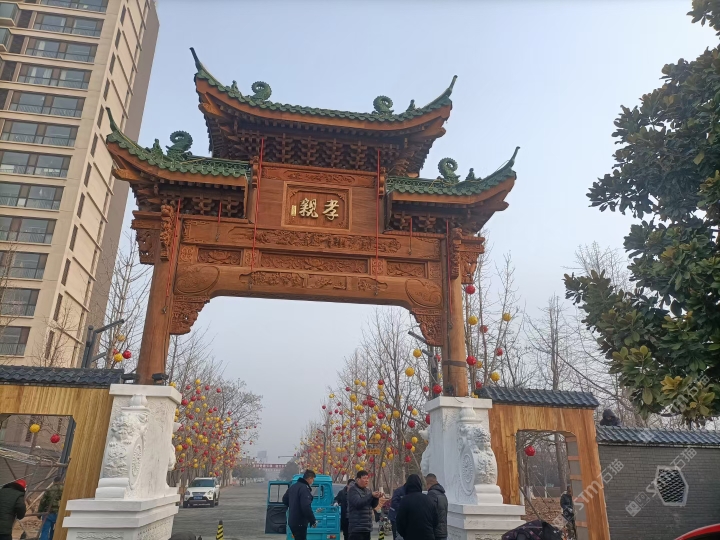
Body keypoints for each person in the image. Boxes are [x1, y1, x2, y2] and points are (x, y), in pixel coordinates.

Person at [396, 475, 436, 540]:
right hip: (428, 536)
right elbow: (435, 520)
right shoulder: (428, 499)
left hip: (411, 536)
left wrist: (405, 535)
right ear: (420, 485)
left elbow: (400, 522)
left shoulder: (405, 500)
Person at [281, 469, 317, 540]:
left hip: (292, 521)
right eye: (313, 479)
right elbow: (306, 506)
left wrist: (293, 506)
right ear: (309, 478)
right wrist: (312, 520)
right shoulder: (304, 488)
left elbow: (284, 499)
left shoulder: (293, 487)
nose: (313, 481)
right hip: (300, 521)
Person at [347, 470, 382, 540]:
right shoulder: (353, 490)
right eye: (364, 478)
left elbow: (373, 505)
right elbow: (358, 503)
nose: (367, 480)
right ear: (358, 479)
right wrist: (371, 495)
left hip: (366, 527)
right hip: (357, 528)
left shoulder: (367, 491)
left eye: (367, 478)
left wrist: (376, 498)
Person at [425, 474, 447, 540]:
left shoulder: (431, 494)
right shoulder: (443, 494)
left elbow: (430, 514)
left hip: (435, 532)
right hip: (443, 531)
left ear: (428, 483)